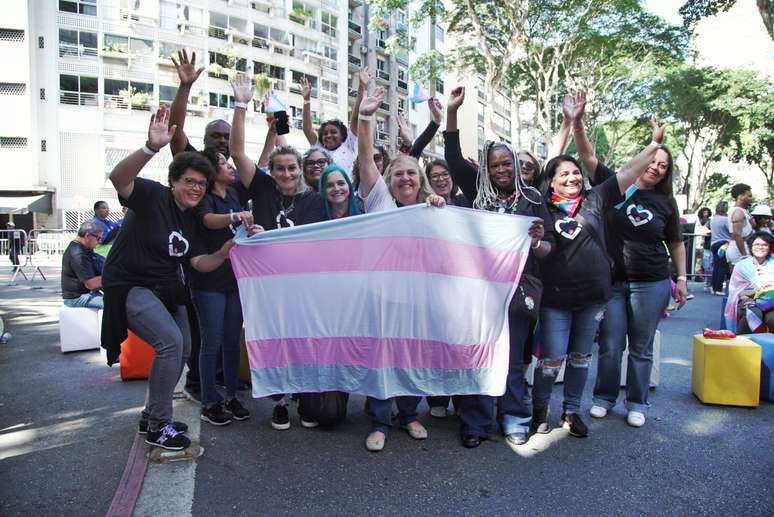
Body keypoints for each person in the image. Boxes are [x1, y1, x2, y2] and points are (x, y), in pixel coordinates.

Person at [530, 91, 668, 439]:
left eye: (576, 173)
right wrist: (567, 122)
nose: (573, 178)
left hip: (593, 298)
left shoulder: (597, 197)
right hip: (556, 301)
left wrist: (653, 145)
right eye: (564, 174)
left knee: (580, 358)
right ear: (552, 180)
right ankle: (540, 411)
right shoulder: (541, 205)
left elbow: (630, 171)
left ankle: (571, 413)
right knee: (551, 359)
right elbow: (544, 246)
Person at [102, 106, 238, 451]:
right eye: (188, 181)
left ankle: (151, 414)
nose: (195, 188)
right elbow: (119, 179)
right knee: (170, 343)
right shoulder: (152, 197)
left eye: (201, 183)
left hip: (166, 287)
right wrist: (151, 148)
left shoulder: (191, 218)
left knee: (185, 346)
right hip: (130, 284)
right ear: (174, 181)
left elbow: (198, 263)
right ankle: (160, 425)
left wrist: (222, 255)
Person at [571, 95, 688, 429]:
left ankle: (636, 401)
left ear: (667, 173)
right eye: (653, 160)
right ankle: (604, 398)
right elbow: (587, 157)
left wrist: (680, 279)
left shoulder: (666, 201)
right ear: (642, 160)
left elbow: (676, 242)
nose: (655, 167)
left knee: (641, 346)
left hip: (651, 281)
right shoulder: (614, 186)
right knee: (609, 344)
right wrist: (577, 123)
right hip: (612, 283)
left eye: (663, 165)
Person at [444, 86, 551, 448]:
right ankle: (476, 423)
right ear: (486, 171)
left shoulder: (534, 199)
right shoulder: (477, 194)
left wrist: (536, 241)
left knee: (511, 358)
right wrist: (453, 113)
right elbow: (453, 158)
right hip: (479, 292)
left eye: (507, 164)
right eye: (495, 165)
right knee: (479, 355)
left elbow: (549, 248)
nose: (502, 169)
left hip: (519, 292)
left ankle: (515, 418)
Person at [230, 72, 327, 431]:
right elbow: (237, 152)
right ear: (271, 170)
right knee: (273, 340)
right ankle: (279, 401)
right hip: (267, 283)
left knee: (302, 339)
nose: (286, 174)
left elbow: (314, 243)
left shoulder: (314, 200)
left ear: (301, 170)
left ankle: (302, 395)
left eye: (292, 168)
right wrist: (241, 104)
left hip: (302, 284)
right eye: (280, 168)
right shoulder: (264, 188)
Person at [356, 85, 446, 452]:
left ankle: (409, 414)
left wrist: (439, 210)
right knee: (382, 359)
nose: (405, 179)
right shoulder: (378, 201)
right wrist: (365, 117)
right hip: (380, 296)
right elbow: (364, 157)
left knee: (412, 356)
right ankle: (380, 421)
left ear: (419, 180)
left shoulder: (433, 206)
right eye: (398, 175)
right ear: (388, 181)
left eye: (412, 173)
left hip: (418, 298)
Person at [191, 149, 259, 427]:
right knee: (211, 343)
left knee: (232, 342)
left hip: (234, 280)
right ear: (210, 170)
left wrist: (250, 228)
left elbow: (240, 226)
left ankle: (231, 396)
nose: (230, 166)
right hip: (209, 284)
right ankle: (209, 401)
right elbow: (208, 220)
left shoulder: (233, 194)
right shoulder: (203, 199)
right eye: (223, 163)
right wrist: (235, 217)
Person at [299, 69, 370, 176]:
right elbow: (307, 129)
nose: (328, 135)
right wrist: (306, 100)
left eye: (333, 132)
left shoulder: (348, 146)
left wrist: (361, 86)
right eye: (325, 133)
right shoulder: (319, 149)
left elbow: (355, 118)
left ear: (342, 136)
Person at [724, 232, 774, 333]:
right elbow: (735, 292)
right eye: (757, 244)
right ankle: (741, 343)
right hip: (748, 301)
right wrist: (755, 292)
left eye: (765, 245)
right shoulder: (741, 266)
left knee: (772, 318)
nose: (760, 247)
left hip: (771, 302)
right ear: (751, 247)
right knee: (753, 313)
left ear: (770, 248)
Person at [61, 221, 104, 309]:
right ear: (88, 236)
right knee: (118, 304)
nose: (99, 242)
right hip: (77, 298)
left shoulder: (84, 248)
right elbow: (91, 283)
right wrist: (114, 276)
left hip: (87, 293)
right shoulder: (78, 254)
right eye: (98, 238)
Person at [726, 183, 754, 265]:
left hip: (740, 247)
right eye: (749, 196)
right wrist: (744, 254)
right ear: (740, 196)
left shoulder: (743, 211)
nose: (751, 198)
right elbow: (737, 234)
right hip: (739, 248)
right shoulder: (738, 212)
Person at [710, 201, 731, 295]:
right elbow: (731, 231)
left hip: (714, 243)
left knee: (716, 266)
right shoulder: (726, 220)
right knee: (722, 266)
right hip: (724, 243)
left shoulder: (713, 219)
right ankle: (718, 289)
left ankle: (713, 287)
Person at [696, 207, 713, 291]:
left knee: (709, 266)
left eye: (707, 212)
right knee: (706, 266)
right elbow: (703, 231)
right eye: (704, 212)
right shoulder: (701, 221)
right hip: (705, 246)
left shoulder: (710, 220)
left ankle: (709, 283)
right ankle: (707, 283)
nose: (705, 213)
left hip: (710, 246)